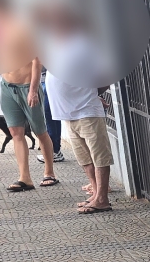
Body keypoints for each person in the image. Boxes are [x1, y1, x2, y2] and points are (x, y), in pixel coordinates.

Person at [45, 69, 111, 213]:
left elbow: (107, 74)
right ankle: (96, 193)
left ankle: (102, 199)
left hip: (87, 110)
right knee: (84, 158)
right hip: (68, 114)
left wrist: (92, 94)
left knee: (99, 156)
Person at [1, 53, 57, 192]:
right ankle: (24, 178)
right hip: (7, 87)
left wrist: (33, 90)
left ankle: (49, 173)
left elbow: (37, 61)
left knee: (40, 131)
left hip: (27, 87)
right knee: (15, 133)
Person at [37, 69, 64, 163]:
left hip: (47, 80)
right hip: (47, 80)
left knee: (49, 116)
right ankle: (55, 150)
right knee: (52, 116)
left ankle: (53, 151)